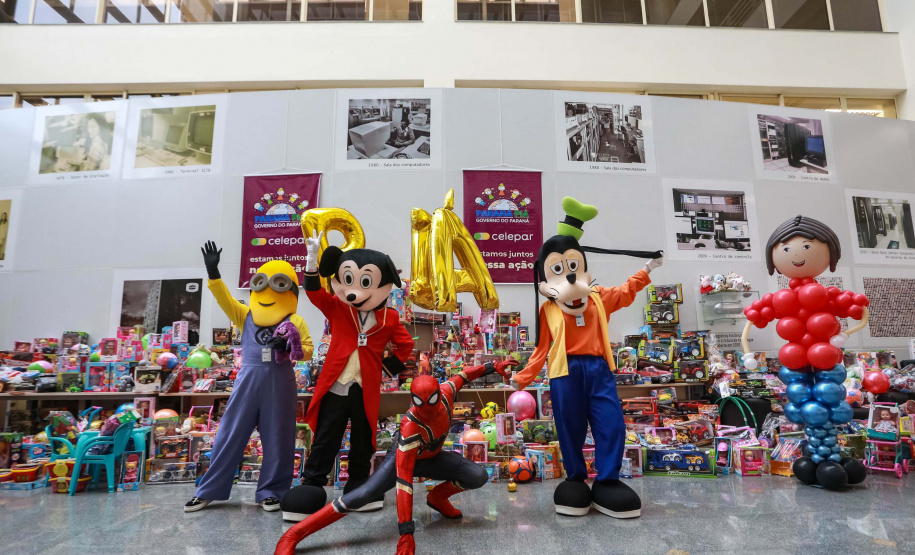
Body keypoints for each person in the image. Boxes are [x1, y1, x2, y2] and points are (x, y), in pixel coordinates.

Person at [513, 196, 663, 519]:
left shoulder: (598, 297)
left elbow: (625, 292)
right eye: (558, 268)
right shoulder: (548, 309)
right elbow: (542, 348)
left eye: (572, 266)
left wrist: (648, 269)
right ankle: (576, 479)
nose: (568, 275)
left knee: (612, 424)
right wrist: (523, 378)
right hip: (564, 372)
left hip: (598, 369)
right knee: (569, 428)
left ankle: (607, 482)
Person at [276, 360, 517, 555]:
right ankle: (293, 534)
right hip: (401, 461)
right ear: (412, 400)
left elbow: (464, 375)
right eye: (419, 402)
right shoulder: (411, 426)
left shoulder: (446, 393)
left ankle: (437, 498)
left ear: (438, 394)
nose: (426, 407)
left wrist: (491, 367)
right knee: (362, 495)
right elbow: (404, 482)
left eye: (431, 400)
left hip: (432, 457)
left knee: (477, 476)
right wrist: (406, 533)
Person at [185, 241, 313, 513]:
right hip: (248, 381)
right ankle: (208, 490)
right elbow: (226, 301)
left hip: (280, 383)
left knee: (279, 439)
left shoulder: (295, 321)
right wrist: (213, 273)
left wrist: (290, 346)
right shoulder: (246, 315)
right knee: (229, 435)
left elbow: (308, 350)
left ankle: (272, 492)